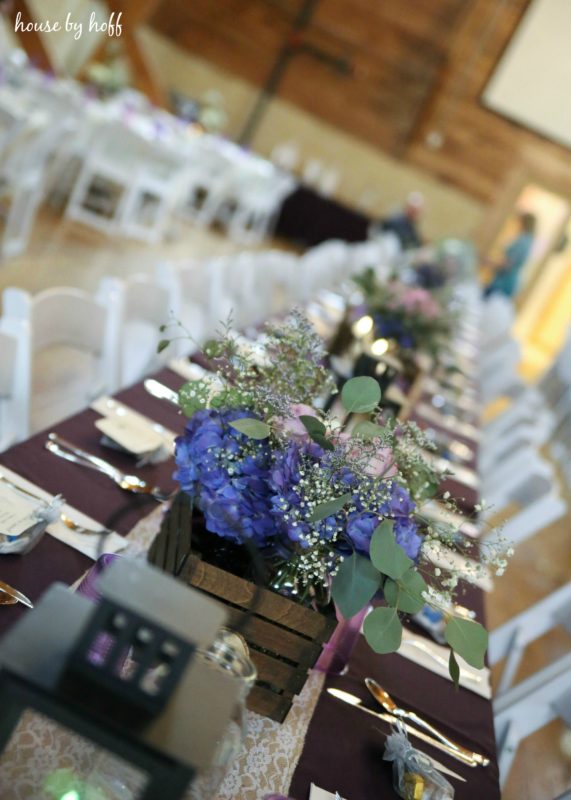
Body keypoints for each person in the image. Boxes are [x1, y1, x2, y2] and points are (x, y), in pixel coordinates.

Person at [483, 211, 536, 299]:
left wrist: (488, 262)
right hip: (505, 280)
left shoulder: (523, 241)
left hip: (504, 282)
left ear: (523, 222)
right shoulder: (528, 240)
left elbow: (508, 264)